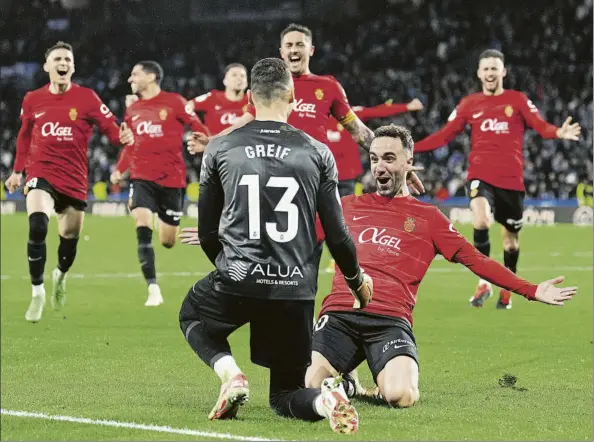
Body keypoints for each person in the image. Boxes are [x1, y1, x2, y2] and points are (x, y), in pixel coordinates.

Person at [306, 124, 578, 407]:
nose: (378, 167)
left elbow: (477, 260)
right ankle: (348, 381)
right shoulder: (346, 206)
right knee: (309, 385)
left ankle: (356, 382)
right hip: (340, 314)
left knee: (402, 396)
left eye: (389, 158)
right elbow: (300, 240)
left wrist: (531, 290)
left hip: (390, 321)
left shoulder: (429, 219)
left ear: (408, 162)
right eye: (374, 159)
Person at [178, 58, 373, 434]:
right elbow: (337, 235)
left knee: (192, 316)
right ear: (293, 96)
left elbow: (206, 233)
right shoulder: (317, 152)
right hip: (295, 286)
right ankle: (324, 400)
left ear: (250, 97)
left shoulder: (220, 148)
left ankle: (231, 375)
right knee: (285, 394)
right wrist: (356, 281)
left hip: (239, 278)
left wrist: (227, 265)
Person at [414, 49, 581, 309]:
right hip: (480, 175)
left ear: (503, 72)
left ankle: (508, 287)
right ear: (479, 73)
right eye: (486, 69)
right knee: (480, 218)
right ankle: (484, 282)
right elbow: (445, 135)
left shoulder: (517, 100)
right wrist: (413, 147)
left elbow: (540, 126)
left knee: (510, 242)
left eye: (495, 68)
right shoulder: (469, 104)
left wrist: (558, 131)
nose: (490, 73)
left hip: (512, 182)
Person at [186, 23, 422, 194]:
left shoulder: (328, 86)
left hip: (314, 176)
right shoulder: (266, 85)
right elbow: (244, 121)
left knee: (327, 248)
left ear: (311, 50)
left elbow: (359, 132)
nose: (294, 50)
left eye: (300, 44)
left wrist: (396, 164)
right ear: (281, 52)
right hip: (274, 175)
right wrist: (213, 140)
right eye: (288, 45)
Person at [4, 41, 134, 322]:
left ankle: (59, 277)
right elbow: (25, 135)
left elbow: (112, 132)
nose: (63, 63)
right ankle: (37, 292)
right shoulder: (33, 99)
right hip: (41, 171)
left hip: (74, 179)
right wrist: (17, 171)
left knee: (69, 240)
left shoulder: (87, 98)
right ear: (47, 66)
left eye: (67, 60)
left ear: (72, 67)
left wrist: (122, 137)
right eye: (58, 59)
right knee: (38, 224)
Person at [110, 61, 209, 306]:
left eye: (135, 74)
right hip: (141, 177)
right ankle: (153, 289)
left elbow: (197, 126)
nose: (130, 79)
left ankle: (155, 217)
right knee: (142, 224)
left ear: (151, 76)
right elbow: (130, 144)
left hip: (172, 180)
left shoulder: (174, 102)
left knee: (167, 241)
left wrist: (202, 140)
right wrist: (120, 169)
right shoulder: (132, 110)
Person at [189, 63, 249, 134]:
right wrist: (198, 127)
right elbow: (188, 106)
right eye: (234, 75)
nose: (239, 78)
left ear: (246, 83)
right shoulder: (213, 97)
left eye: (242, 76)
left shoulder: (253, 101)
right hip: (216, 143)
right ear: (225, 81)